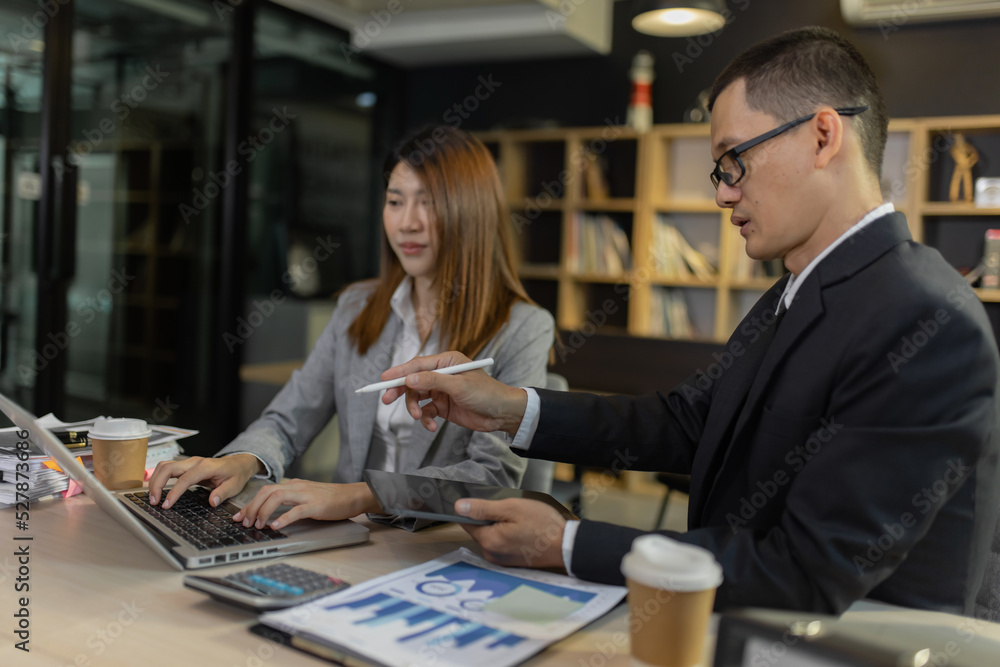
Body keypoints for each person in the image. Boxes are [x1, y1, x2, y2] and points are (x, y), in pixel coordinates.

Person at [381, 27, 1000, 615]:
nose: (723, 193)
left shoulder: (924, 317)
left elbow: (808, 571)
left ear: (822, 136)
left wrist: (567, 543)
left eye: (734, 159)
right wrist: (505, 407)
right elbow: (690, 422)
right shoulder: (799, 287)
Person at [148, 126, 555, 532]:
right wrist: (242, 459)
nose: (407, 223)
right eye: (395, 201)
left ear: (471, 212)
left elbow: (493, 477)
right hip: (351, 536)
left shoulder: (524, 327)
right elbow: (290, 419)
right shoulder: (357, 306)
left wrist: (362, 495)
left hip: (441, 544)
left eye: (428, 203)